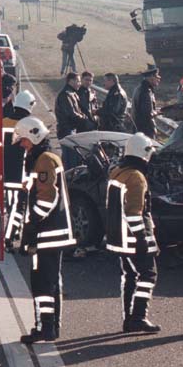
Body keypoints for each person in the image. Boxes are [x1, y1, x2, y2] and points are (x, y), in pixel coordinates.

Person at [13, 117, 76, 344]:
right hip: (50, 233)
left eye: (24, 140)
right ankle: (48, 327)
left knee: (43, 281)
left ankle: (46, 328)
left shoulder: (44, 160)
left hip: (48, 234)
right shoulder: (43, 158)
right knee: (47, 280)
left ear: (35, 135)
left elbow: (47, 198)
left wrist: (32, 226)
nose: (22, 145)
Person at [105, 133, 162, 333]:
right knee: (148, 274)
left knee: (130, 276)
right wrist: (142, 240)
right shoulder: (136, 177)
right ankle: (138, 317)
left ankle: (129, 319)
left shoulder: (117, 172)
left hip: (117, 237)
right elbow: (134, 213)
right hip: (131, 237)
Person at [3, 90, 36, 248]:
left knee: (8, 205)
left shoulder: (2, 122)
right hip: (22, 174)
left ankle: (7, 232)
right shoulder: (31, 125)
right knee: (18, 206)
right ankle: (11, 236)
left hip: (3, 173)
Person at [55, 72, 95, 140]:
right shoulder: (65, 95)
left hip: (72, 129)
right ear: (71, 81)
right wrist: (86, 121)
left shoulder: (72, 93)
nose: (80, 84)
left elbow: (79, 110)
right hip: (66, 130)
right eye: (78, 81)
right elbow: (71, 114)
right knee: (70, 150)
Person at [132, 65, 160, 139]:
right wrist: (158, 112)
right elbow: (147, 113)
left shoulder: (140, 88)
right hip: (146, 130)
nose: (159, 79)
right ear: (151, 77)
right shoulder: (146, 92)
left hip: (139, 129)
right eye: (157, 76)